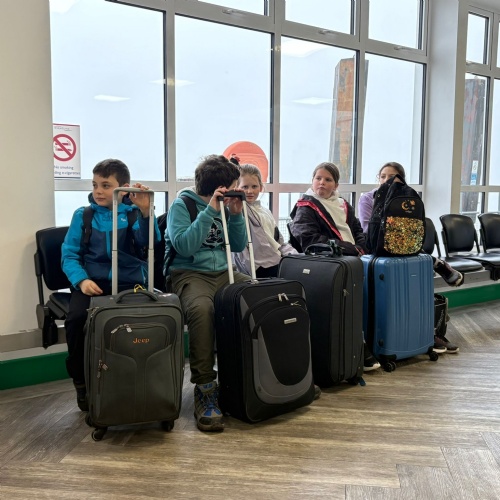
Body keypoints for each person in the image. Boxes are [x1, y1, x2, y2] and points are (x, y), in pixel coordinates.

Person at [61, 159, 160, 412]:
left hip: (130, 283)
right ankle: (81, 382)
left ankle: (139, 378)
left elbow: (150, 243)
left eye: (106, 185)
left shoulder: (134, 214)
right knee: (76, 321)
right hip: (92, 283)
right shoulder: (84, 215)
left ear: (123, 188)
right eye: (95, 185)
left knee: (141, 322)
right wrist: (81, 280)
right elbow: (69, 255)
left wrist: (146, 212)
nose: (98, 191)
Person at [163, 154, 250, 433]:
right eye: (234, 185)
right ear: (218, 188)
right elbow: (184, 246)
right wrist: (210, 210)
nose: (237, 189)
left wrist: (235, 215)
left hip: (224, 272)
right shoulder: (182, 205)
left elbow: (237, 245)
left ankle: (255, 375)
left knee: (257, 297)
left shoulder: (228, 205)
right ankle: (205, 387)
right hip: (189, 273)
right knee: (202, 310)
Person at [357, 161, 462, 353]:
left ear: (401, 179)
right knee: (417, 263)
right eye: (382, 176)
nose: (386, 180)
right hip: (376, 248)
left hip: (403, 247)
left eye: (391, 176)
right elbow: (366, 228)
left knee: (419, 277)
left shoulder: (408, 199)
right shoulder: (368, 198)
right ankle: (439, 264)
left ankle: (429, 334)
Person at [288, 161, 380, 372]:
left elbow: (357, 230)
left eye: (328, 179)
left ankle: (373, 338)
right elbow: (309, 240)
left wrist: (360, 248)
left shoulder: (342, 204)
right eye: (318, 178)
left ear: (336, 185)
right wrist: (349, 249)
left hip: (352, 258)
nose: (322, 182)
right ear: (312, 181)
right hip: (327, 263)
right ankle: (357, 345)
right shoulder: (306, 206)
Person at [233, 162, 297, 277]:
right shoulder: (239, 211)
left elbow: (278, 241)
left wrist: (293, 254)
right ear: (237, 188)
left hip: (275, 259)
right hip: (258, 266)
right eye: (245, 187)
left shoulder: (265, 211)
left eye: (254, 186)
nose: (250, 191)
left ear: (261, 187)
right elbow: (243, 255)